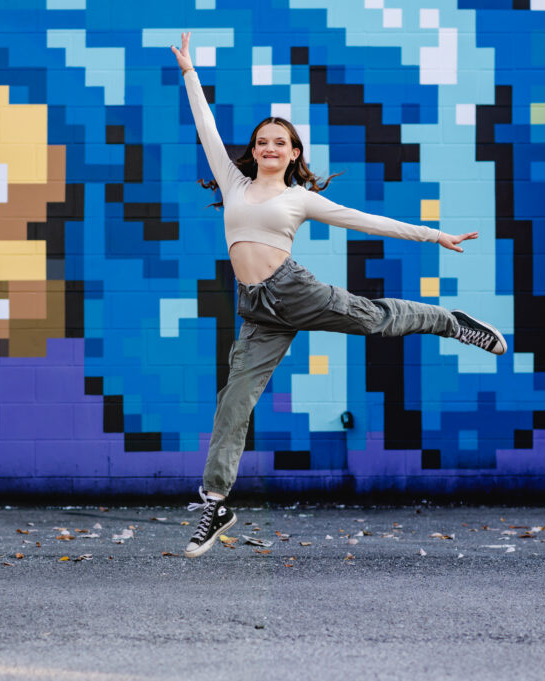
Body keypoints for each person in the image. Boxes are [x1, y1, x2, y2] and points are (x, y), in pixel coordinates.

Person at [171, 33, 506, 558]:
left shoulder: (298, 198)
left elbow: (366, 221)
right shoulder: (232, 183)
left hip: (294, 290)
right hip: (256, 308)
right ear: (255, 149)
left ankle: (449, 321)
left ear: (294, 153)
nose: (270, 147)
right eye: (263, 141)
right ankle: (215, 502)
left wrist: (433, 235)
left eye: (280, 142)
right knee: (234, 401)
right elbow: (206, 127)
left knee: (373, 320)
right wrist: (191, 73)